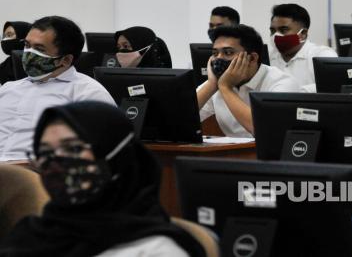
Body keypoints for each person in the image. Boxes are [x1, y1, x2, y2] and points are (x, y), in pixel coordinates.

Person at [0, 101, 205, 256]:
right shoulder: (31, 234)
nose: (55, 163)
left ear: (118, 158)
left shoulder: (155, 249)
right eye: (45, 153)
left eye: (74, 149)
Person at [0, 16, 115, 162]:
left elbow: (105, 149)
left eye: (39, 49)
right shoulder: (8, 88)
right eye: (27, 45)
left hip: (38, 176)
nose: (28, 53)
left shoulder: (87, 93)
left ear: (65, 60)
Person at [197, 24, 299, 138]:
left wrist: (226, 88)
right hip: (231, 153)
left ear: (252, 58)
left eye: (228, 52)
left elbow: (265, 131)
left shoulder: (282, 83)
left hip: (270, 153)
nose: (219, 58)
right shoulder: (217, 83)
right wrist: (211, 86)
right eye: (215, 53)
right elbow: (178, 119)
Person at [269, 3, 337, 92]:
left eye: (284, 30)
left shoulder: (323, 55)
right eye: (273, 31)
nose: (276, 35)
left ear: (303, 33)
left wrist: (293, 92)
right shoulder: (269, 58)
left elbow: (333, 87)